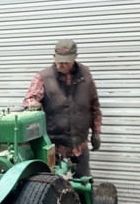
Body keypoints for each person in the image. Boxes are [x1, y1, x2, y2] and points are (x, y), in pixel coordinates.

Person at [23, 38, 102, 177]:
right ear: (54, 57)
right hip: (55, 150)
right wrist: (33, 105)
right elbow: (30, 98)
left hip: (80, 148)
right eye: (59, 61)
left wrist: (96, 132)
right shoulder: (43, 77)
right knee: (54, 192)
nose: (61, 65)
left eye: (66, 62)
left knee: (83, 187)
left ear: (74, 59)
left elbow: (94, 106)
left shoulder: (86, 76)